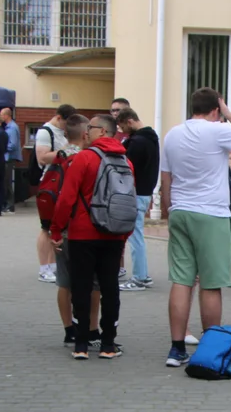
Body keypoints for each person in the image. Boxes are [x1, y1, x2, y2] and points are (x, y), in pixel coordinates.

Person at [159, 87, 231, 368]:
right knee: (211, 283)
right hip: (212, 214)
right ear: (216, 108)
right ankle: (211, 348)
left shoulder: (173, 134)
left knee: (181, 280)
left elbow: (165, 177)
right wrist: (229, 114)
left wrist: (169, 210)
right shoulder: (217, 130)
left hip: (181, 210)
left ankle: (176, 348)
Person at [49, 114, 134, 360]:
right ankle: (108, 344)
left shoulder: (84, 158)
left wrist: (56, 230)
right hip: (114, 234)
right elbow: (129, 202)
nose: (86, 131)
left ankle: (81, 345)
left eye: (91, 127)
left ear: (103, 132)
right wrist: (124, 233)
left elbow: (66, 199)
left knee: (82, 287)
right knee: (110, 288)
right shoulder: (126, 162)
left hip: (82, 233)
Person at [34, 104, 79, 282]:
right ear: (59, 118)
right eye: (66, 122)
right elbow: (42, 157)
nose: (67, 127)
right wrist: (68, 150)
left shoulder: (62, 132)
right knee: (46, 228)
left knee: (57, 227)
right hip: (50, 183)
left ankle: (53, 266)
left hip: (63, 182)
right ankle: (44, 267)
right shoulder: (46, 132)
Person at [116, 108, 159, 291]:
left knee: (135, 237)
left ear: (130, 121)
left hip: (135, 192)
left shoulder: (137, 142)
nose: (123, 131)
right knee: (136, 235)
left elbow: (125, 166)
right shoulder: (151, 138)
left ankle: (140, 277)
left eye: (123, 127)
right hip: (145, 192)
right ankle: (143, 275)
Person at [0, 107, 21, 213]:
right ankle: (8, 204)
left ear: (6, 115)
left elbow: (12, 145)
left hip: (8, 157)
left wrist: (1, 147)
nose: (0, 117)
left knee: (6, 182)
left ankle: (9, 205)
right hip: (8, 157)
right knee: (6, 181)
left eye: (1, 115)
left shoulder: (12, 128)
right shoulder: (10, 127)